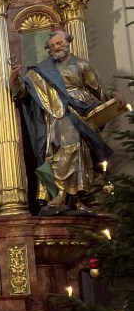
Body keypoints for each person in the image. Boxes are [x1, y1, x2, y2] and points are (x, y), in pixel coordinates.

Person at [10, 30, 125, 209]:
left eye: (59, 43)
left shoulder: (81, 65)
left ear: (68, 42)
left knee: (80, 152)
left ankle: (78, 199)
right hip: (57, 115)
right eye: (52, 45)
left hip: (82, 114)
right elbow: (25, 92)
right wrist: (15, 80)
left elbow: (99, 89)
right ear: (48, 48)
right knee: (62, 150)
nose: (56, 47)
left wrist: (114, 94)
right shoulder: (42, 70)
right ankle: (61, 193)